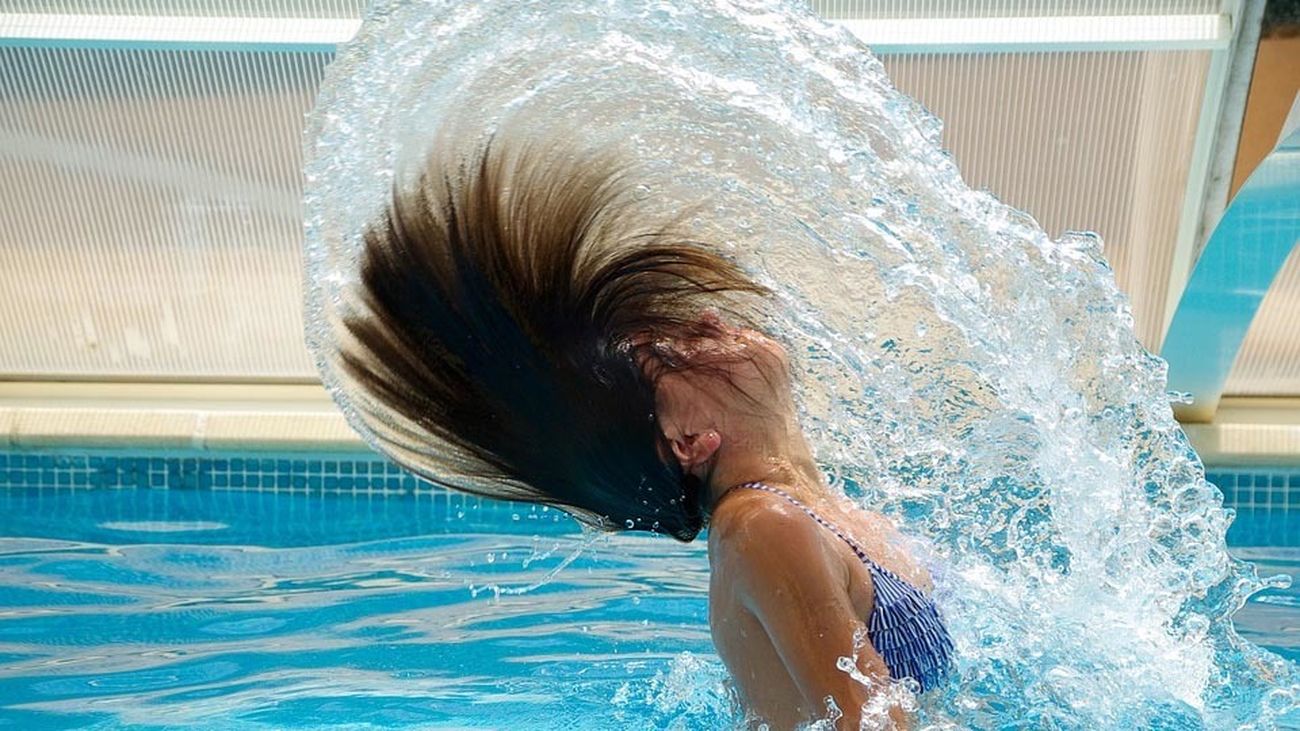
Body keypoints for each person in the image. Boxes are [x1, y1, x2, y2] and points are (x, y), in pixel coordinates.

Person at [332, 133, 953, 729]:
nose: (709, 319)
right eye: (675, 353)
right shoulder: (764, 529)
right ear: (688, 440)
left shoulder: (812, 516)